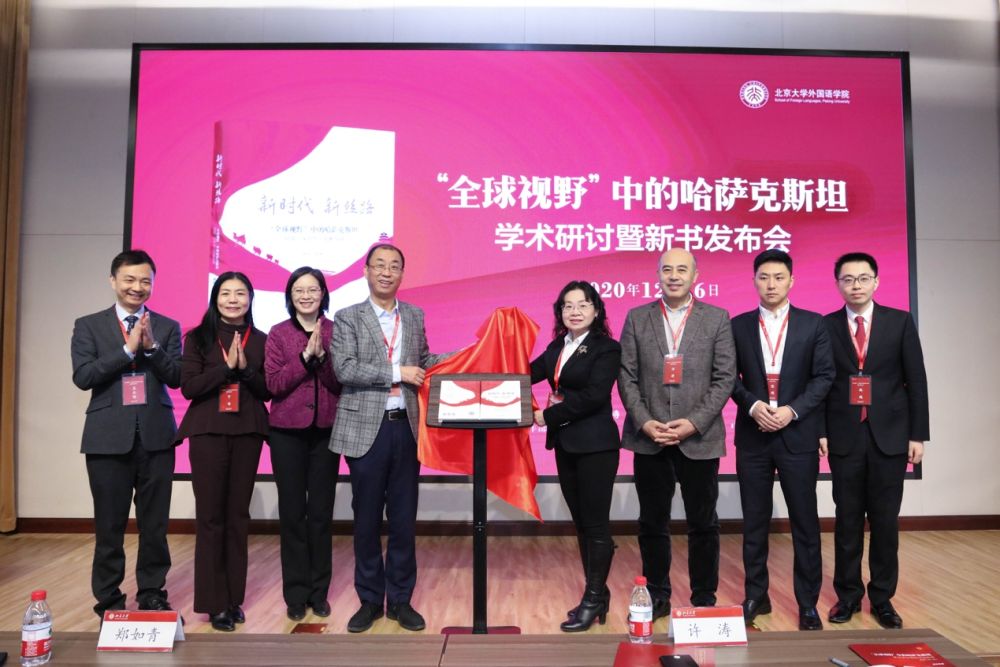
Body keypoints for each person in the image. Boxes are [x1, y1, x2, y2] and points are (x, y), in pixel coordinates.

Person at [330, 243, 449, 633]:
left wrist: (465, 356)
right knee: (366, 519)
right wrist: (398, 372)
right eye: (379, 265)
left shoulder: (414, 315)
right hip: (366, 429)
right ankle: (369, 600)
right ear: (365, 271)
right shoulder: (347, 317)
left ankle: (400, 599)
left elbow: (425, 361)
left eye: (394, 266)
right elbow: (345, 368)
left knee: (403, 519)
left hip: (406, 426)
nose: (386, 272)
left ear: (402, 274)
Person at [618, 248, 736, 619]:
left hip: (699, 438)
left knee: (704, 523)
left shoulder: (717, 318)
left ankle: (703, 597)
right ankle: (657, 595)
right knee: (652, 522)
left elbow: (724, 379)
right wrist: (644, 421)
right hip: (650, 438)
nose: (673, 276)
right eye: (667, 269)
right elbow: (626, 376)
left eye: (681, 270)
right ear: (658, 274)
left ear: (695, 276)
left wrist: (693, 423)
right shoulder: (637, 317)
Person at [71, 249, 182, 620]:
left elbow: (177, 377)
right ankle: (108, 599)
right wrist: (126, 350)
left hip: (157, 437)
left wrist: (151, 348)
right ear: (113, 281)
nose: (138, 287)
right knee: (109, 525)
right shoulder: (88, 325)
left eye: (145, 281)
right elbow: (83, 376)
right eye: (130, 279)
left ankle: (152, 593)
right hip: (106, 439)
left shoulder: (167, 326)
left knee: (155, 525)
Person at [821, 252, 929, 630]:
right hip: (844, 436)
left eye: (863, 278)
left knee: (885, 522)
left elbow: (916, 381)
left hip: (891, 436)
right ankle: (848, 596)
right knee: (847, 520)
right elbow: (820, 383)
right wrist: (820, 431)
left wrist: (918, 435)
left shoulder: (900, 322)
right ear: (838, 284)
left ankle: (882, 598)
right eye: (848, 279)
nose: (856, 286)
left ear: (876, 282)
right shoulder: (825, 326)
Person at [730, 249, 834, 631]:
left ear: (791, 280)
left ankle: (807, 603)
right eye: (763, 277)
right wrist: (753, 405)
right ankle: (756, 596)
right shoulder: (738, 325)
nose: (770, 284)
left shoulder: (813, 324)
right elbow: (728, 378)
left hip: (797, 436)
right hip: (754, 435)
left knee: (805, 523)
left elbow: (824, 377)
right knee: (754, 523)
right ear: (754, 281)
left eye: (778, 277)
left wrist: (792, 411)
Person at [176, 271, 271, 632]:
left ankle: (233, 598)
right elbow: (189, 387)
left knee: (237, 517)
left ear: (250, 299)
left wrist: (244, 371)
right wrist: (226, 368)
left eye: (240, 293)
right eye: (226, 293)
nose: (233, 300)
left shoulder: (260, 340)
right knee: (211, 517)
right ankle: (214, 602)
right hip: (208, 432)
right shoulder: (197, 338)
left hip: (247, 431)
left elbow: (267, 390)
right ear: (215, 298)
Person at [530, 280, 622, 632]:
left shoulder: (606, 348)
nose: (575, 311)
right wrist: (490, 365)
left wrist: (548, 416)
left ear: (596, 310)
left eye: (583, 304)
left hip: (596, 446)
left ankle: (592, 598)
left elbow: (595, 396)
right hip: (566, 445)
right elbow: (528, 373)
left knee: (595, 524)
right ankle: (598, 593)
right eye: (567, 305)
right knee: (582, 523)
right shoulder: (559, 346)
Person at [264, 267, 342, 621]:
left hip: (326, 432)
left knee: (321, 515)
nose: (306, 295)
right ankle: (295, 594)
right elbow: (274, 384)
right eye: (299, 290)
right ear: (290, 295)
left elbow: (340, 382)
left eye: (313, 289)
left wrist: (322, 359)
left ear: (323, 293)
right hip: (287, 434)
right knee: (293, 514)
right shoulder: (278, 334)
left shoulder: (336, 331)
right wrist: (303, 359)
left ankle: (319, 592)